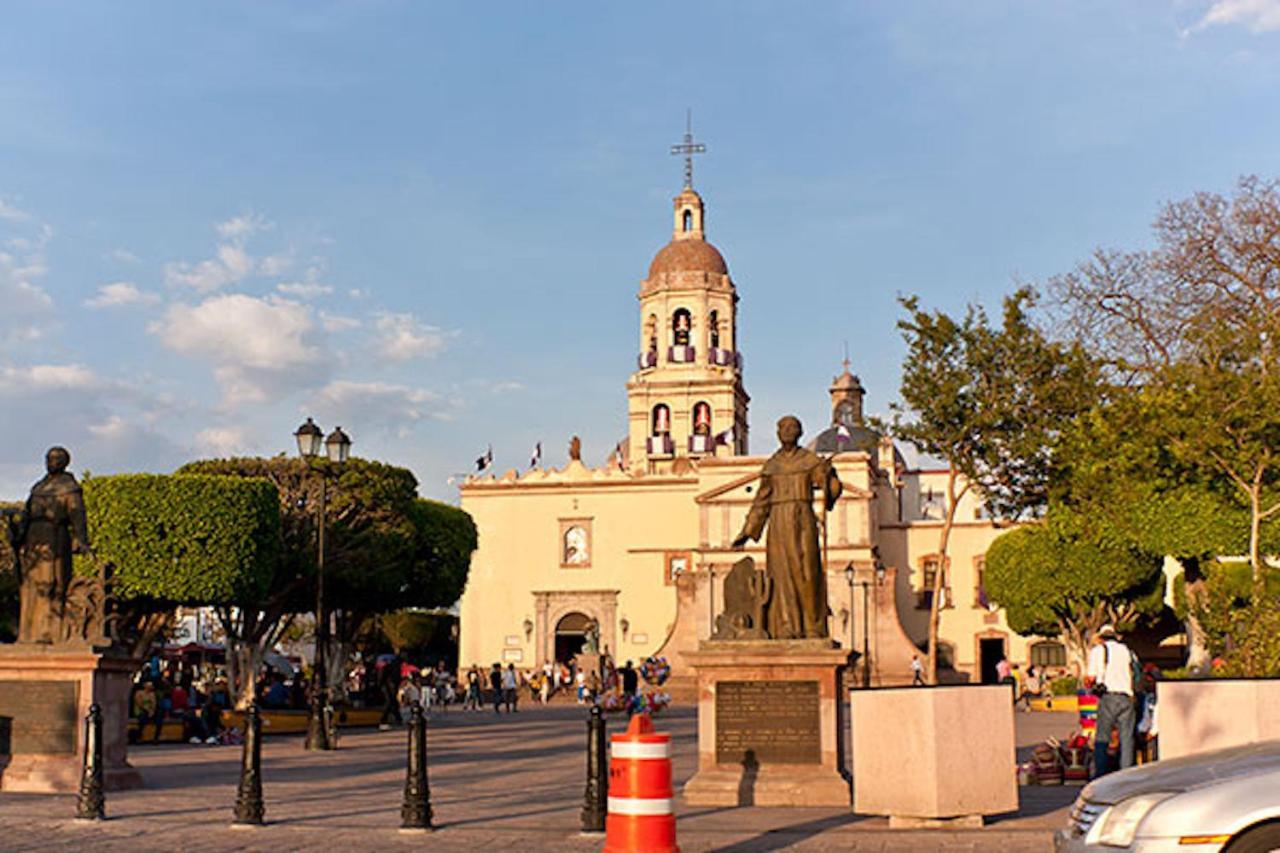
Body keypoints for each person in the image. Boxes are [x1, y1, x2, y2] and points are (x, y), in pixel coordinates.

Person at [1087, 624, 1137, 777]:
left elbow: (1090, 678)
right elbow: (1133, 671)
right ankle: (1126, 775)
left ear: (1102, 638)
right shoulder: (1126, 650)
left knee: (1102, 738)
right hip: (1126, 697)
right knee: (1127, 739)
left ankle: (1101, 775)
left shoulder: (1097, 651)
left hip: (1108, 697)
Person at [378, 657, 402, 730]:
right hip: (389, 687)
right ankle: (384, 719)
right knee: (390, 702)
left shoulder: (388, 668)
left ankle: (396, 718)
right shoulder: (394, 668)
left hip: (388, 687)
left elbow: (381, 678)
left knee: (392, 702)